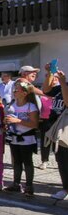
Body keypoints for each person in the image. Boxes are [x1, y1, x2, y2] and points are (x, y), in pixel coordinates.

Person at [4, 80, 39, 196]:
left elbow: (34, 124)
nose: (14, 91)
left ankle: (29, 186)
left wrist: (18, 121)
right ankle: (16, 184)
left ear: (24, 93)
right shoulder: (12, 105)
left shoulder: (31, 106)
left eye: (17, 90)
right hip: (14, 137)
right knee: (17, 162)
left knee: (27, 162)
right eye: (14, 89)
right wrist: (6, 122)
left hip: (27, 139)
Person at [43, 66, 68, 200]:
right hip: (57, 128)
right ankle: (65, 188)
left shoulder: (64, 85)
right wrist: (50, 73)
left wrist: (63, 82)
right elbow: (46, 90)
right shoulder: (61, 87)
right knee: (61, 160)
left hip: (66, 129)